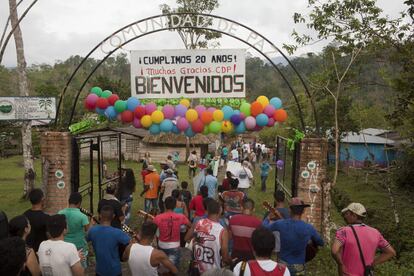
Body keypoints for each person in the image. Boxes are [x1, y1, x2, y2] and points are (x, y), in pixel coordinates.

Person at [262, 197, 324, 275]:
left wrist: (268, 218)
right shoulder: (309, 228)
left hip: (282, 265)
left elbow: (264, 228)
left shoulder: (280, 224)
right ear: (303, 211)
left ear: (290, 210)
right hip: (299, 266)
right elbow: (321, 242)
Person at [331, 202, 396, 276]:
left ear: (354, 215)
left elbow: (334, 251)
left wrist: (341, 264)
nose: (345, 216)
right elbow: (391, 252)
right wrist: (371, 264)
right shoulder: (375, 232)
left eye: (347, 214)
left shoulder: (343, 231)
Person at [186, 200, 230, 274]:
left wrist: (197, 243)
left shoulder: (198, 223)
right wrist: (231, 262)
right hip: (213, 272)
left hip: (196, 269)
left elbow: (186, 238)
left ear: (207, 211)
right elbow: (225, 258)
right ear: (220, 211)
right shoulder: (222, 231)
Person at [87, 205, 131, 276]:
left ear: (100, 216)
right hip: (115, 271)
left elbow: (87, 237)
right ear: (113, 216)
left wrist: (91, 224)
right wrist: (125, 256)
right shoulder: (118, 232)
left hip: (99, 270)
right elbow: (130, 243)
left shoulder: (93, 231)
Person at [154, 197, 191, 270]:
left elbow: (152, 230)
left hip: (161, 244)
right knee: (173, 268)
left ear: (164, 205)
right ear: (175, 206)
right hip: (175, 245)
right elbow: (190, 226)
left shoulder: (158, 217)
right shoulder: (180, 217)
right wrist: (187, 237)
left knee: (162, 268)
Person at [58, 192, 92, 268]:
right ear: (79, 203)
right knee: (80, 269)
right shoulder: (82, 216)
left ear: (69, 201)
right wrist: (92, 223)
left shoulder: (60, 213)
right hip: (80, 247)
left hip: (64, 246)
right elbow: (88, 231)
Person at [229, 198, 262, 263]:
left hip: (236, 254)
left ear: (241, 208)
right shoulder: (258, 222)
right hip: (251, 256)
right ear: (254, 209)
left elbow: (230, 237)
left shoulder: (232, 219)